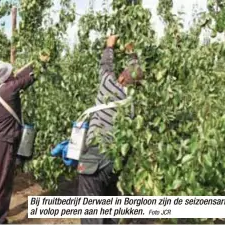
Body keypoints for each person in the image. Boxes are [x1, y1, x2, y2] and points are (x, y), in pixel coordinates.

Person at [76, 35, 144, 224]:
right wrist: (132, 55)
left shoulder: (110, 87)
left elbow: (105, 67)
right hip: (116, 158)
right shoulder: (135, 102)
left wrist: (109, 46)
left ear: (121, 77)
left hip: (96, 154)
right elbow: (134, 72)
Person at [0, 60, 37, 224]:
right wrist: (40, 62)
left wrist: (29, 65)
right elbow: (29, 78)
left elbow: (18, 77)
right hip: (4, 141)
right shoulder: (11, 88)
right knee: (3, 179)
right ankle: (0, 219)